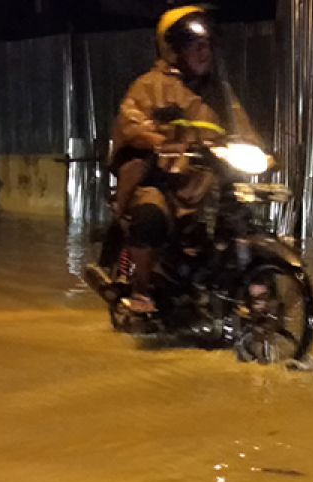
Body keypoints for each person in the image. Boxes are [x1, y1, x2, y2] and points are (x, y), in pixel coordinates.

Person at [108, 6, 257, 314]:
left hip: (205, 185)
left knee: (245, 218)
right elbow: (131, 123)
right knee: (150, 215)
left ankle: (254, 291)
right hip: (163, 182)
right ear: (175, 48)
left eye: (207, 45)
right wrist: (159, 141)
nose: (204, 53)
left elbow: (244, 131)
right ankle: (141, 292)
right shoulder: (149, 85)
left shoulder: (220, 93)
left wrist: (262, 154)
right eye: (195, 45)